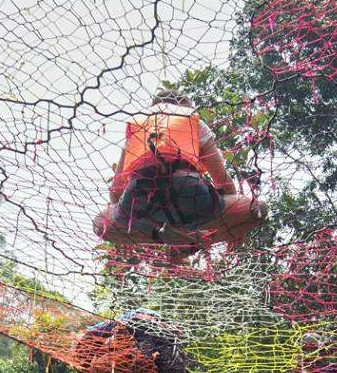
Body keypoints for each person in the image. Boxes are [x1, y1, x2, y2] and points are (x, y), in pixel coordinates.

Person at [94, 88, 262, 251]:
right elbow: (224, 184)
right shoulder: (192, 120)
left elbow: (115, 193)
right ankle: (190, 240)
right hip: (190, 191)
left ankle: (164, 237)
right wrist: (235, 226)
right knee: (257, 209)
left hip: (140, 196)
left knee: (101, 224)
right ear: (184, 104)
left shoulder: (138, 126)